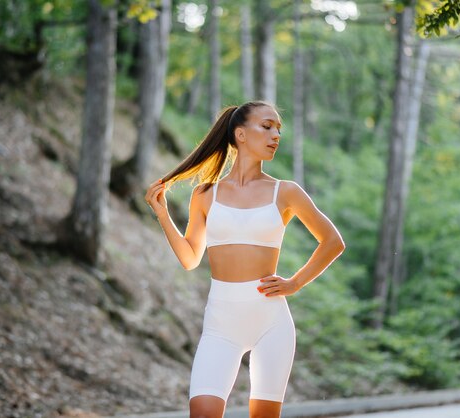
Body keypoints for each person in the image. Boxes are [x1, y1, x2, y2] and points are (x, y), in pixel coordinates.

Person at [144, 101, 345, 418]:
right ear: (239, 134)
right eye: (267, 126)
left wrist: (294, 283)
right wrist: (163, 214)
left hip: (271, 322)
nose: (276, 134)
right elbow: (190, 258)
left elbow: (333, 241)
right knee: (203, 412)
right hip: (220, 324)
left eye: (279, 128)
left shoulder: (286, 192)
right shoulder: (205, 194)